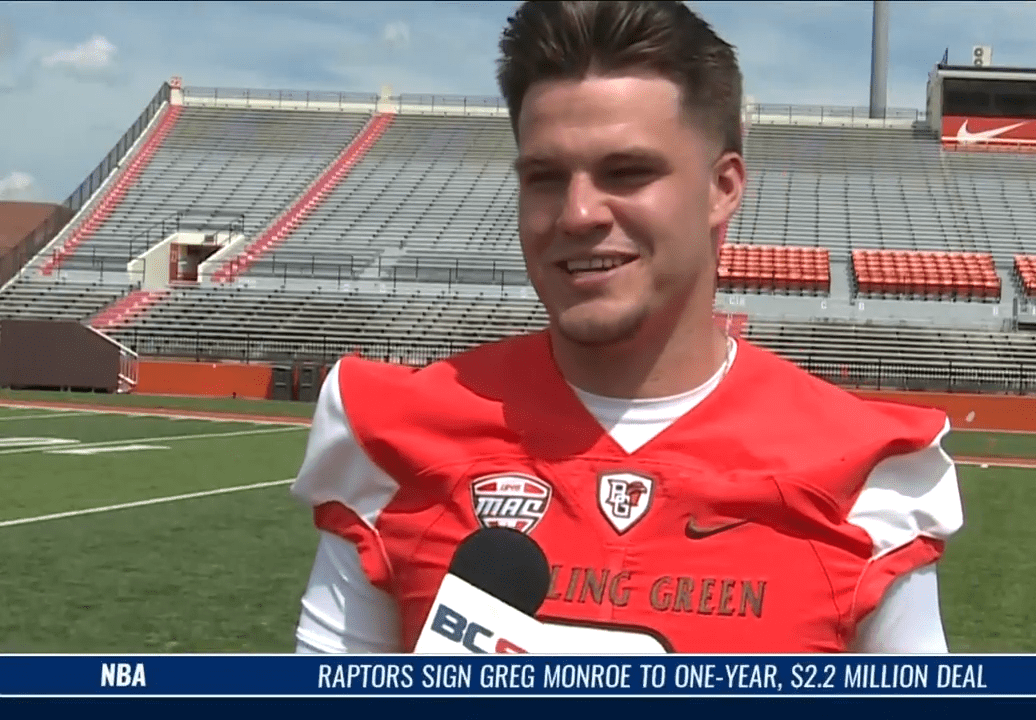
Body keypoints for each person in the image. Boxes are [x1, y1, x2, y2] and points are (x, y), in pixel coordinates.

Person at [290, 0, 962, 654]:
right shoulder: (401, 435)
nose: (578, 213)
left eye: (628, 172)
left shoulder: (859, 476)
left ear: (722, 187)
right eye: (545, 177)